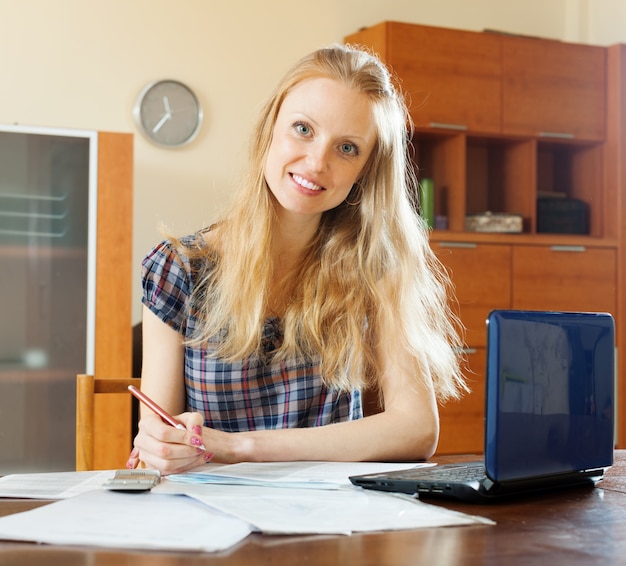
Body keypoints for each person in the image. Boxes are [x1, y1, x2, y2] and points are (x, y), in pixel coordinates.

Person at [128, 43, 467, 474]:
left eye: (347, 148)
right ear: (271, 127)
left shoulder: (379, 266)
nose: (316, 161)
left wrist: (242, 447)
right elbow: (158, 442)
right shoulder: (179, 268)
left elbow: (417, 429)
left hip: (332, 519)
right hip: (211, 516)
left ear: (366, 169)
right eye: (303, 129)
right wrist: (162, 446)